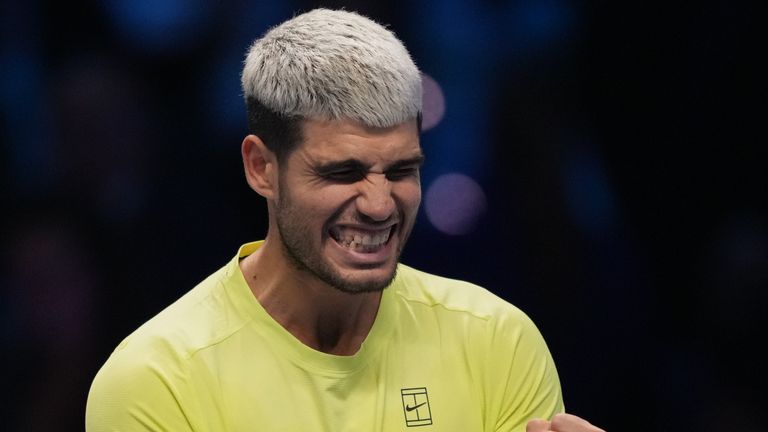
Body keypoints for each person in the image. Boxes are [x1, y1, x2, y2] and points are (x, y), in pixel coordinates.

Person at [86, 8, 605, 432]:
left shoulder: (497, 341)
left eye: (402, 170)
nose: (380, 206)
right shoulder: (155, 381)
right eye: (342, 172)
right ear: (261, 168)